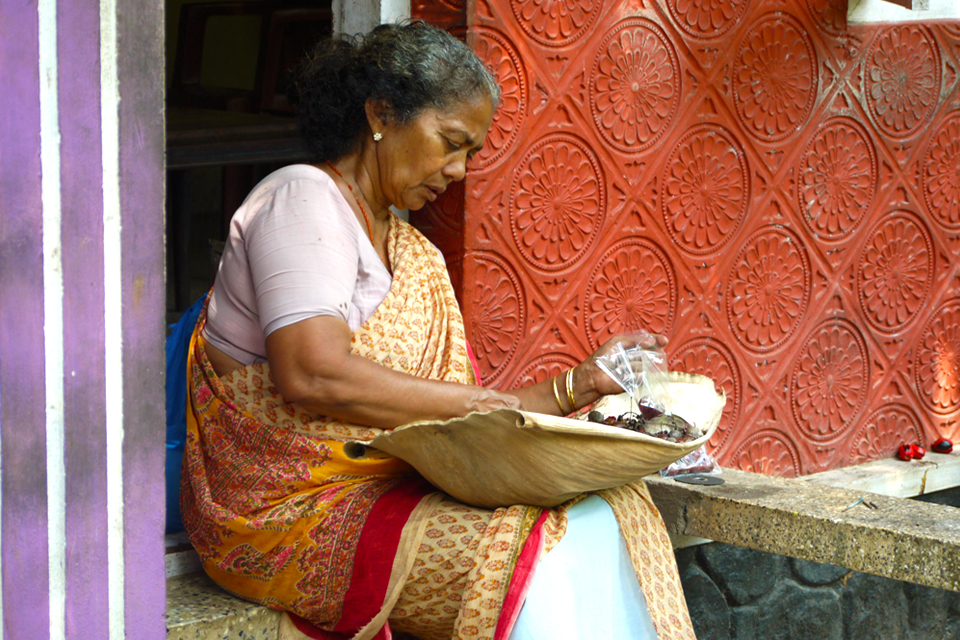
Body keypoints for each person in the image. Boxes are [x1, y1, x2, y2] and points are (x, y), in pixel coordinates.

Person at [180, 21, 697, 640]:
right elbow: (311, 371)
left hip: (384, 488)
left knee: (607, 515)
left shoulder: (412, 253)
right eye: (450, 142)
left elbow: (460, 422)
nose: (457, 170)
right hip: (288, 511)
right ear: (380, 114)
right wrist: (484, 404)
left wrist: (580, 384)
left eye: (471, 153)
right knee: (539, 561)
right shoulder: (302, 199)